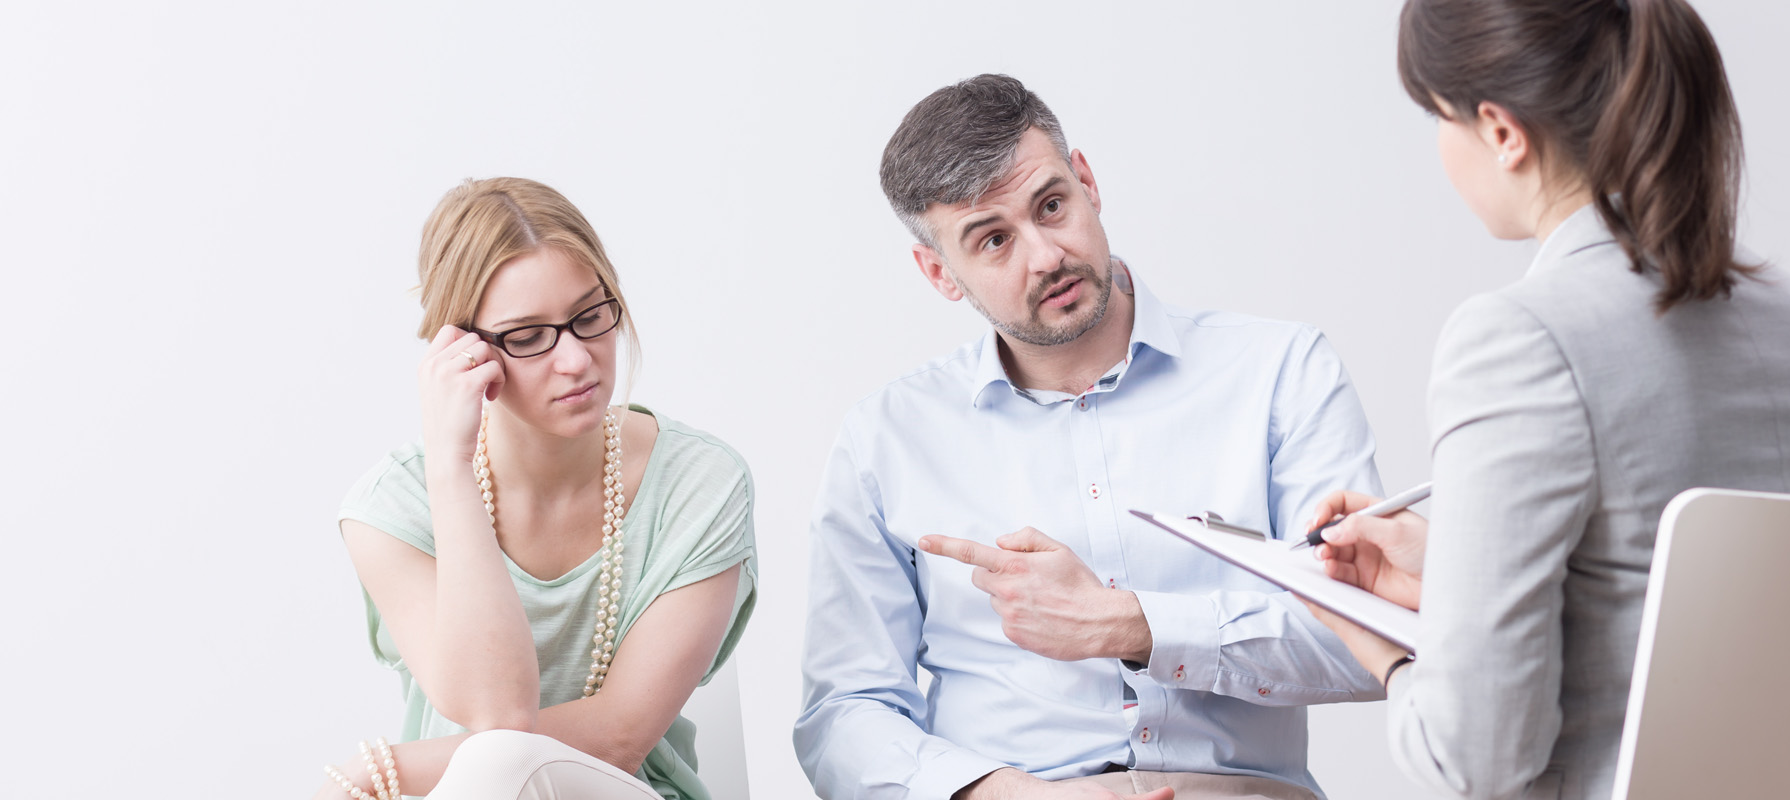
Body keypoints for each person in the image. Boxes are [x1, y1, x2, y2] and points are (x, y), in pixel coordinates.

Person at [1299, 2, 1790, 798]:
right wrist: (1457, 566)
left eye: (1437, 116)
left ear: (1500, 131)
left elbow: (1476, 758)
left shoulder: (1518, 338)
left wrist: (1381, 647)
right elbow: (1684, 604)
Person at [793, 74, 1385, 800]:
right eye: (993, 240)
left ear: (1088, 182)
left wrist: (1136, 625)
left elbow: (1368, 643)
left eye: (1051, 205)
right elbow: (843, 714)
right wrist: (996, 793)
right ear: (939, 274)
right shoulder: (883, 439)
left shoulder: (1280, 371)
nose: (1045, 257)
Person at [320, 177, 758, 800]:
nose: (577, 359)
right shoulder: (391, 509)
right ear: (463, 349)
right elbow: (494, 708)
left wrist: (383, 769)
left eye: (590, 316)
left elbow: (616, 737)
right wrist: (449, 465)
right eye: (528, 337)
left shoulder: (699, 484)